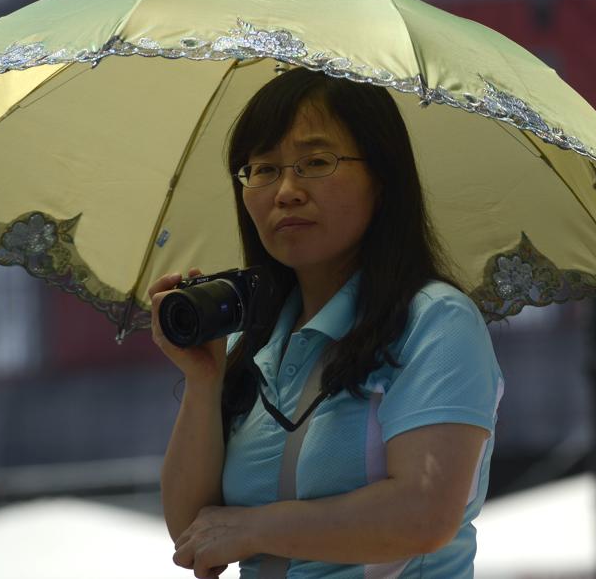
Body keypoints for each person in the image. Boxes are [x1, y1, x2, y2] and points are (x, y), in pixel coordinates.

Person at [149, 67, 504, 578]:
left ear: (382, 180)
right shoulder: (256, 342)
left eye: (316, 162)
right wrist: (203, 382)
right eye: (263, 169)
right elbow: (192, 531)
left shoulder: (434, 321)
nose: (285, 190)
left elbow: (424, 515)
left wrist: (254, 529)